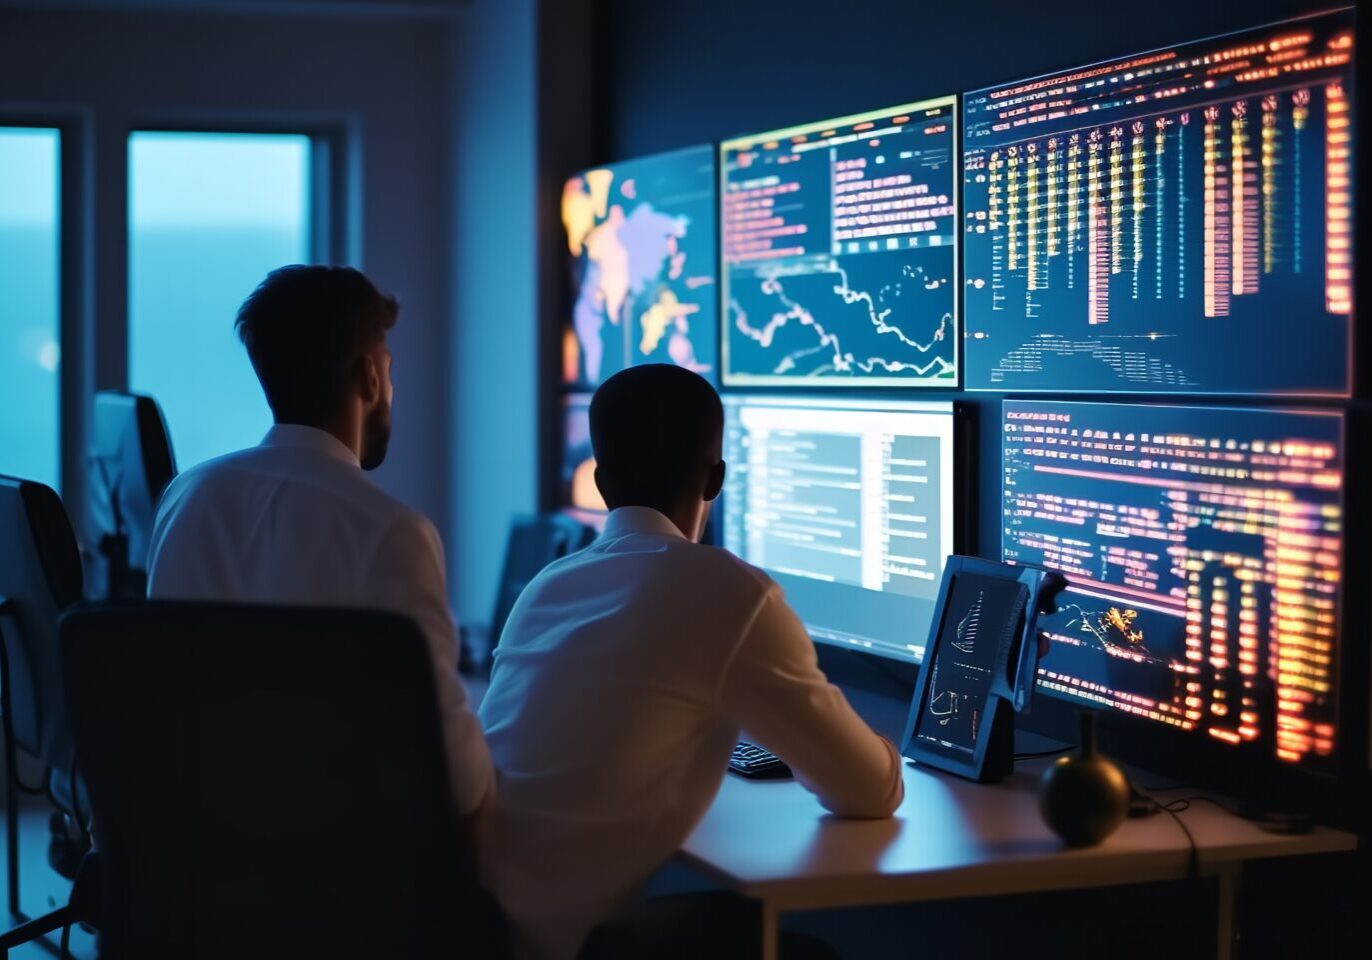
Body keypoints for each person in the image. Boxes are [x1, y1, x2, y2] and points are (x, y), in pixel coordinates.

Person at [478, 364, 904, 959]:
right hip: (574, 945)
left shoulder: (546, 585)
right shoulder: (727, 593)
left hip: (485, 926)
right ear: (717, 479)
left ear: (600, 484)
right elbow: (871, 790)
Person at [146, 264, 492, 817]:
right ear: (370, 378)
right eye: (389, 369)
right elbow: (458, 779)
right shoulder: (392, 531)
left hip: (191, 854)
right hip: (330, 877)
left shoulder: (186, 498)